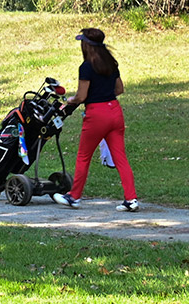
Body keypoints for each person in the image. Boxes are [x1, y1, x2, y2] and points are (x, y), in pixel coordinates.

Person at [52, 27, 136, 210]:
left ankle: (74, 196)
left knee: (83, 156)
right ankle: (131, 199)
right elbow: (119, 89)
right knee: (120, 157)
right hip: (115, 111)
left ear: (86, 45)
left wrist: (69, 100)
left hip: (96, 115)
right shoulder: (111, 63)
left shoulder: (87, 67)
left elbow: (81, 96)